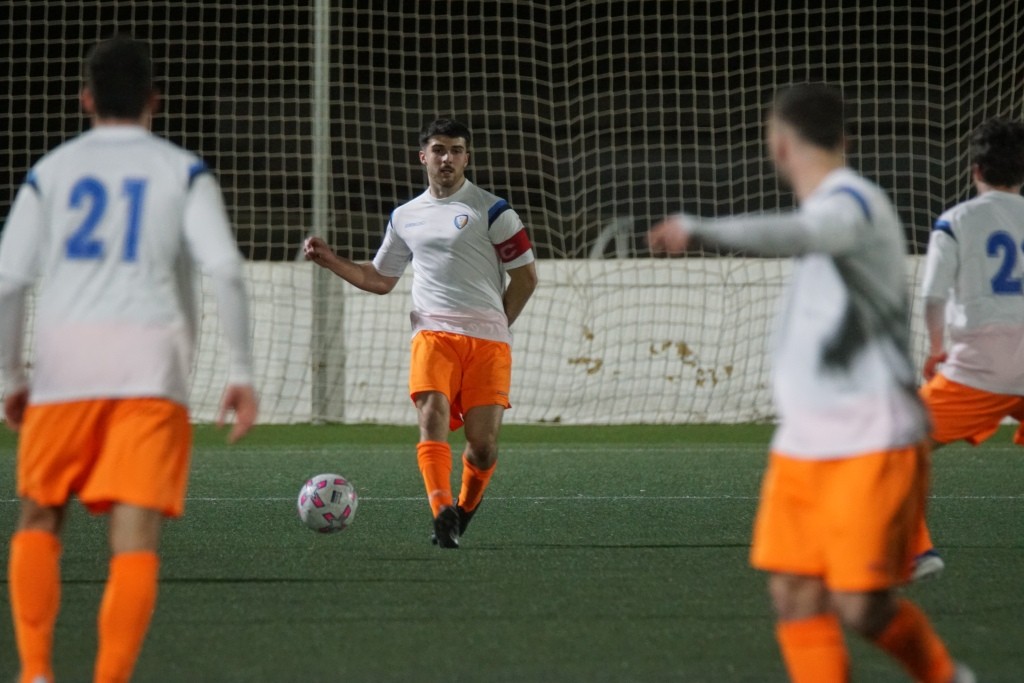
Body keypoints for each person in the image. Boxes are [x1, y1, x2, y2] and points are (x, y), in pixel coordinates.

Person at [648, 84, 972, 683]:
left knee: (861, 606)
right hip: (803, 444)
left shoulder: (852, 202)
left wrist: (701, 228)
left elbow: (805, 232)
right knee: (793, 594)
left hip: (872, 439)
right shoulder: (836, 208)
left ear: (777, 144)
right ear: (844, 138)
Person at [0, 37, 258, 683]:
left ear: (85, 99)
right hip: (151, 371)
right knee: (134, 536)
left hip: (63, 367)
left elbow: (7, 281)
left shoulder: (50, 172)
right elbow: (225, 268)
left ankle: (35, 671)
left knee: (40, 515)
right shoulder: (182, 170)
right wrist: (241, 371)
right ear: (154, 100)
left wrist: (9, 375)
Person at [305, 118, 537, 549]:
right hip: (433, 332)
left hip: (488, 341)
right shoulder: (405, 216)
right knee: (431, 417)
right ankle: (440, 510)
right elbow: (380, 278)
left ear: (467, 158)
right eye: (439, 150)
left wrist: (498, 325)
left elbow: (525, 277)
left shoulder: (494, 211)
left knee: (483, 447)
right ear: (423, 157)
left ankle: (461, 511)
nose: (447, 158)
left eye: (456, 150)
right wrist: (332, 260)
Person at [911, 118, 1024, 579]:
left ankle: (916, 552)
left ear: (975, 169)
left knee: (898, 443)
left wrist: (937, 349)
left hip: (981, 370)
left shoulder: (956, 221)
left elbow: (933, 296)